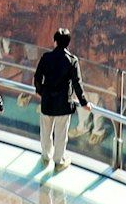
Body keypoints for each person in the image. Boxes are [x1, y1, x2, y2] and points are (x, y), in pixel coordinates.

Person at [33, 28, 89, 171]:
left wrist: (41, 91)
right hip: (64, 102)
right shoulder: (72, 60)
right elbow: (77, 83)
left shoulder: (46, 57)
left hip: (47, 101)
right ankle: (59, 161)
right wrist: (84, 102)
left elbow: (37, 77)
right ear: (68, 43)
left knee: (45, 132)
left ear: (55, 41)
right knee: (61, 134)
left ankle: (46, 156)